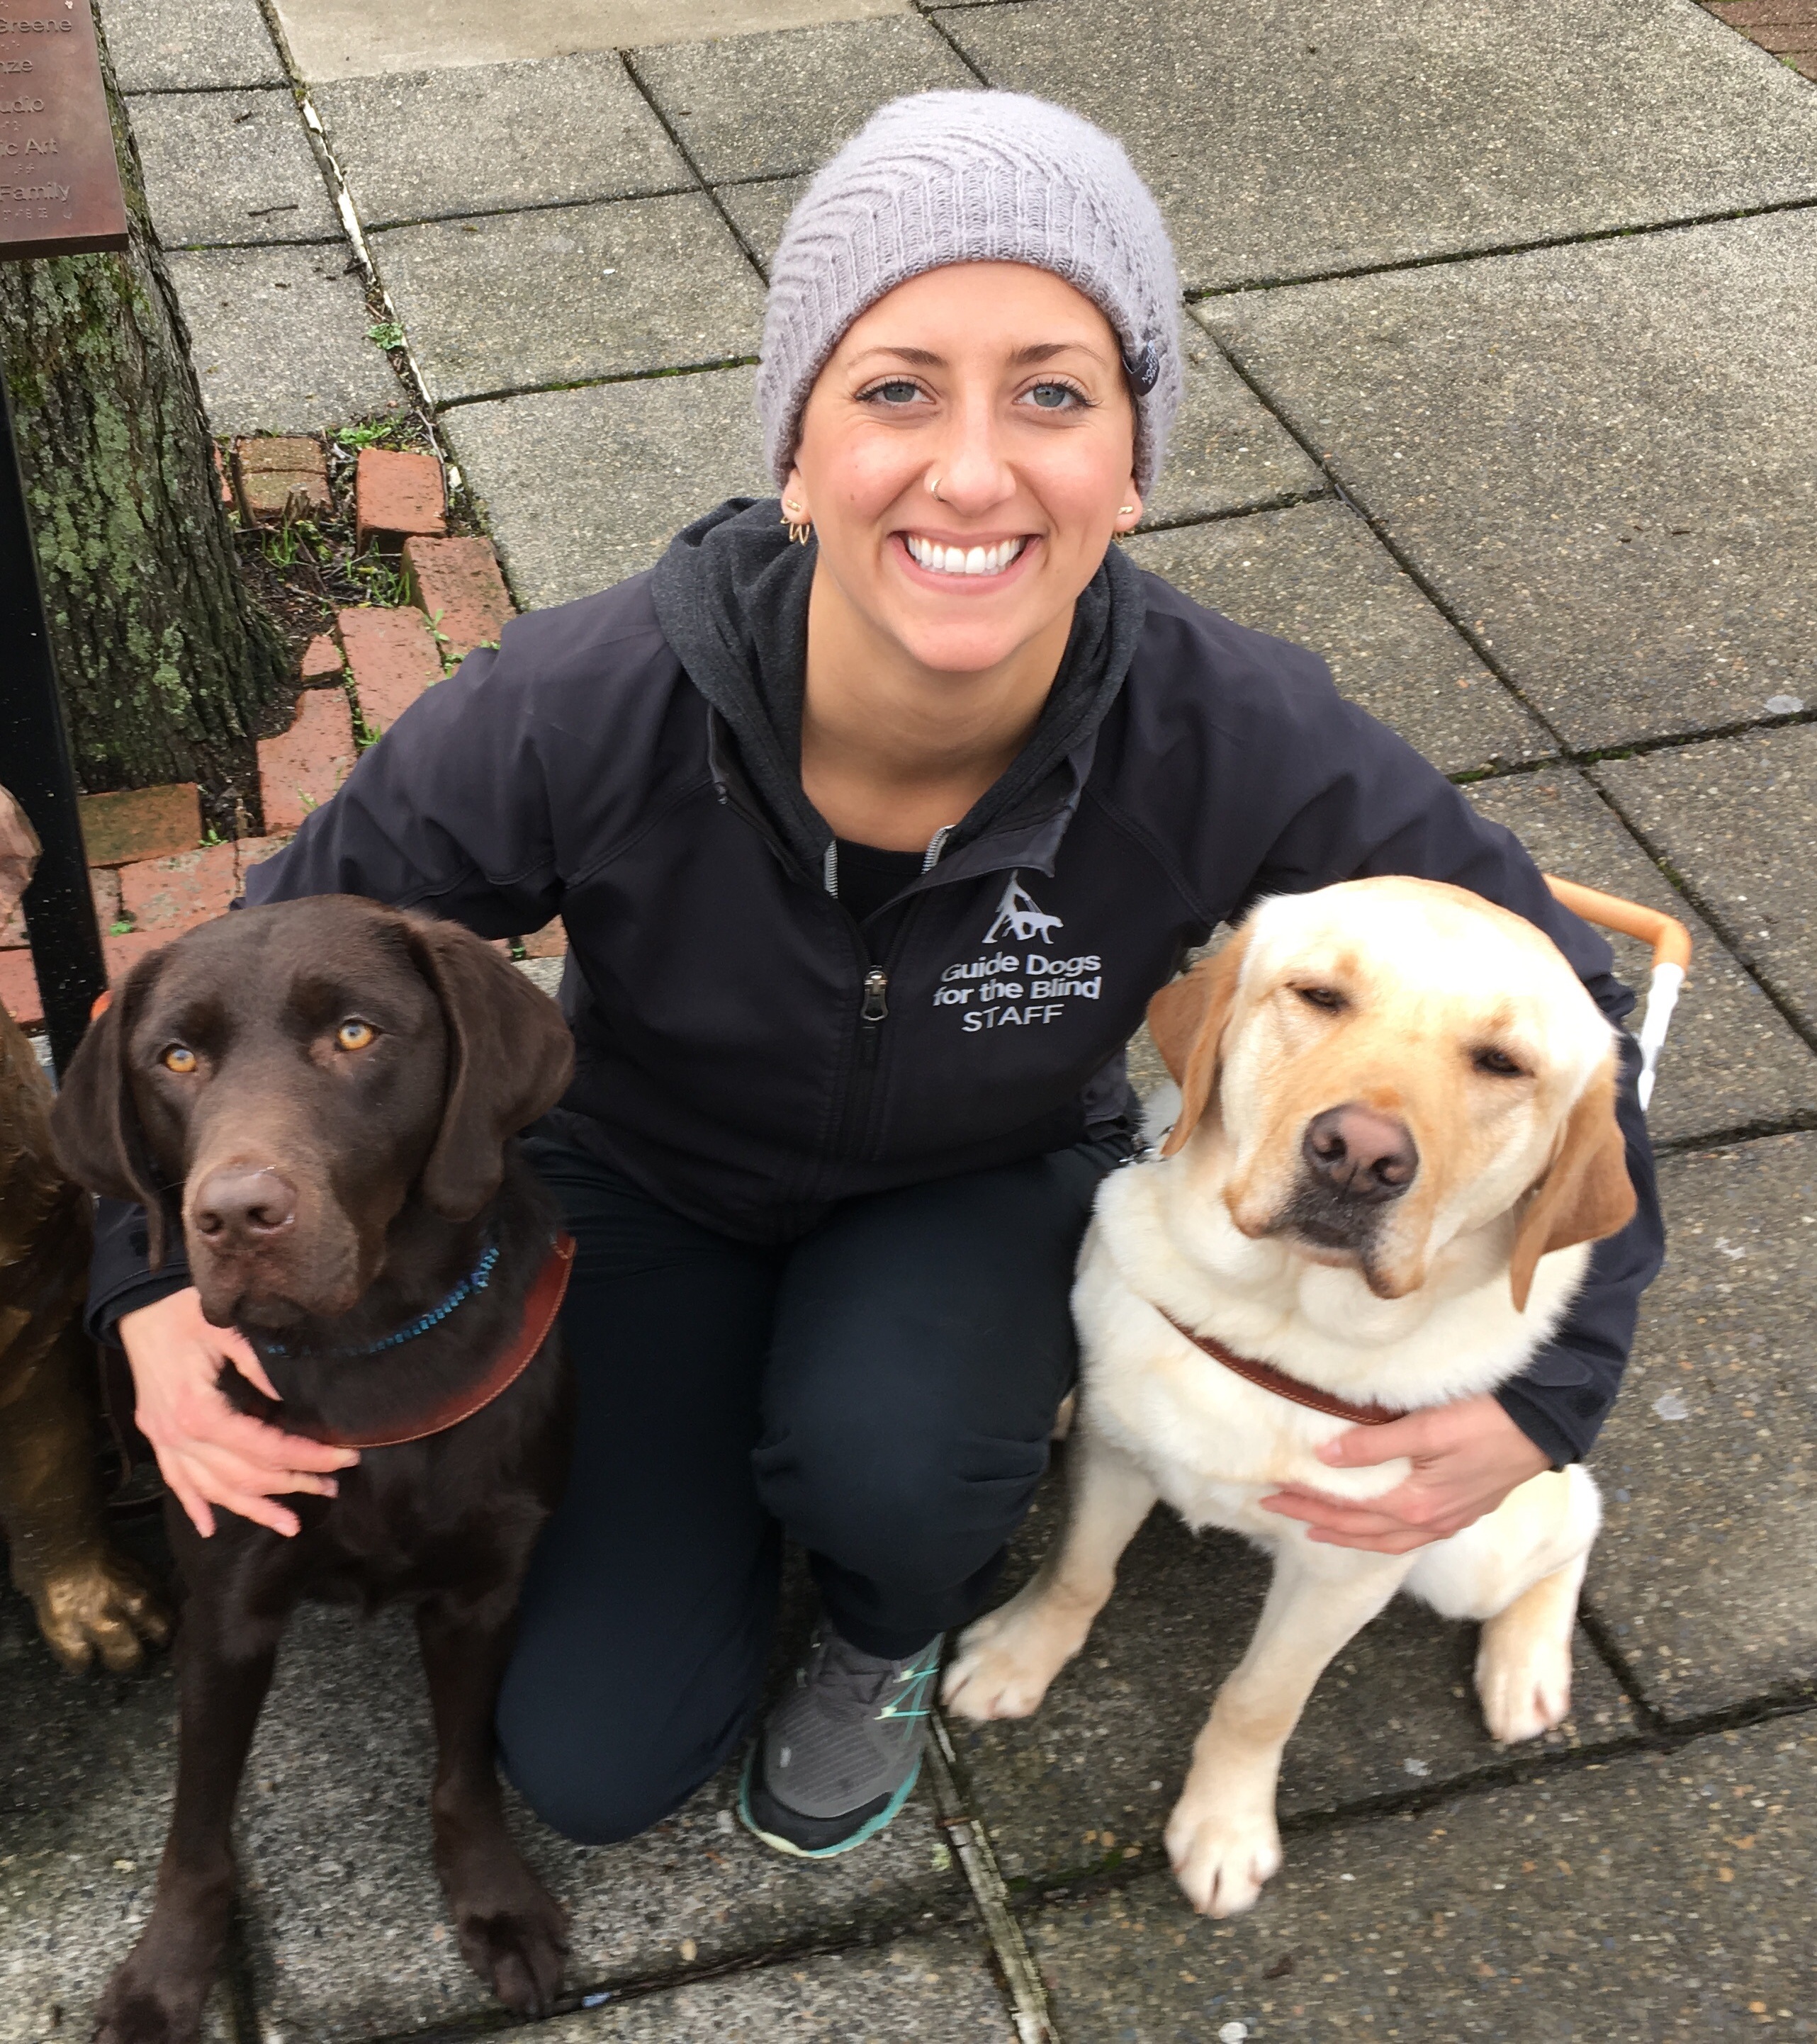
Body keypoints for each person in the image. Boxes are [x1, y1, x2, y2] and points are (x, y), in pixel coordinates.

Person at [89, 91, 1662, 1862]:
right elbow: (241, 975)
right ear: (797, 445)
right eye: (897, 388)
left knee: (893, 1460)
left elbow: (1572, 1021)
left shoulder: (1235, 734)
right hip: (645, 1178)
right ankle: (737, 1457)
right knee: (601, 1767)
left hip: (973, 1181)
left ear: (1131, 461)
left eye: (1054, 393)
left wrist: (1547, 1388)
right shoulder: (581, 705)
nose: (974, 471)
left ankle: (879, 1617)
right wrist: (139, 1280)